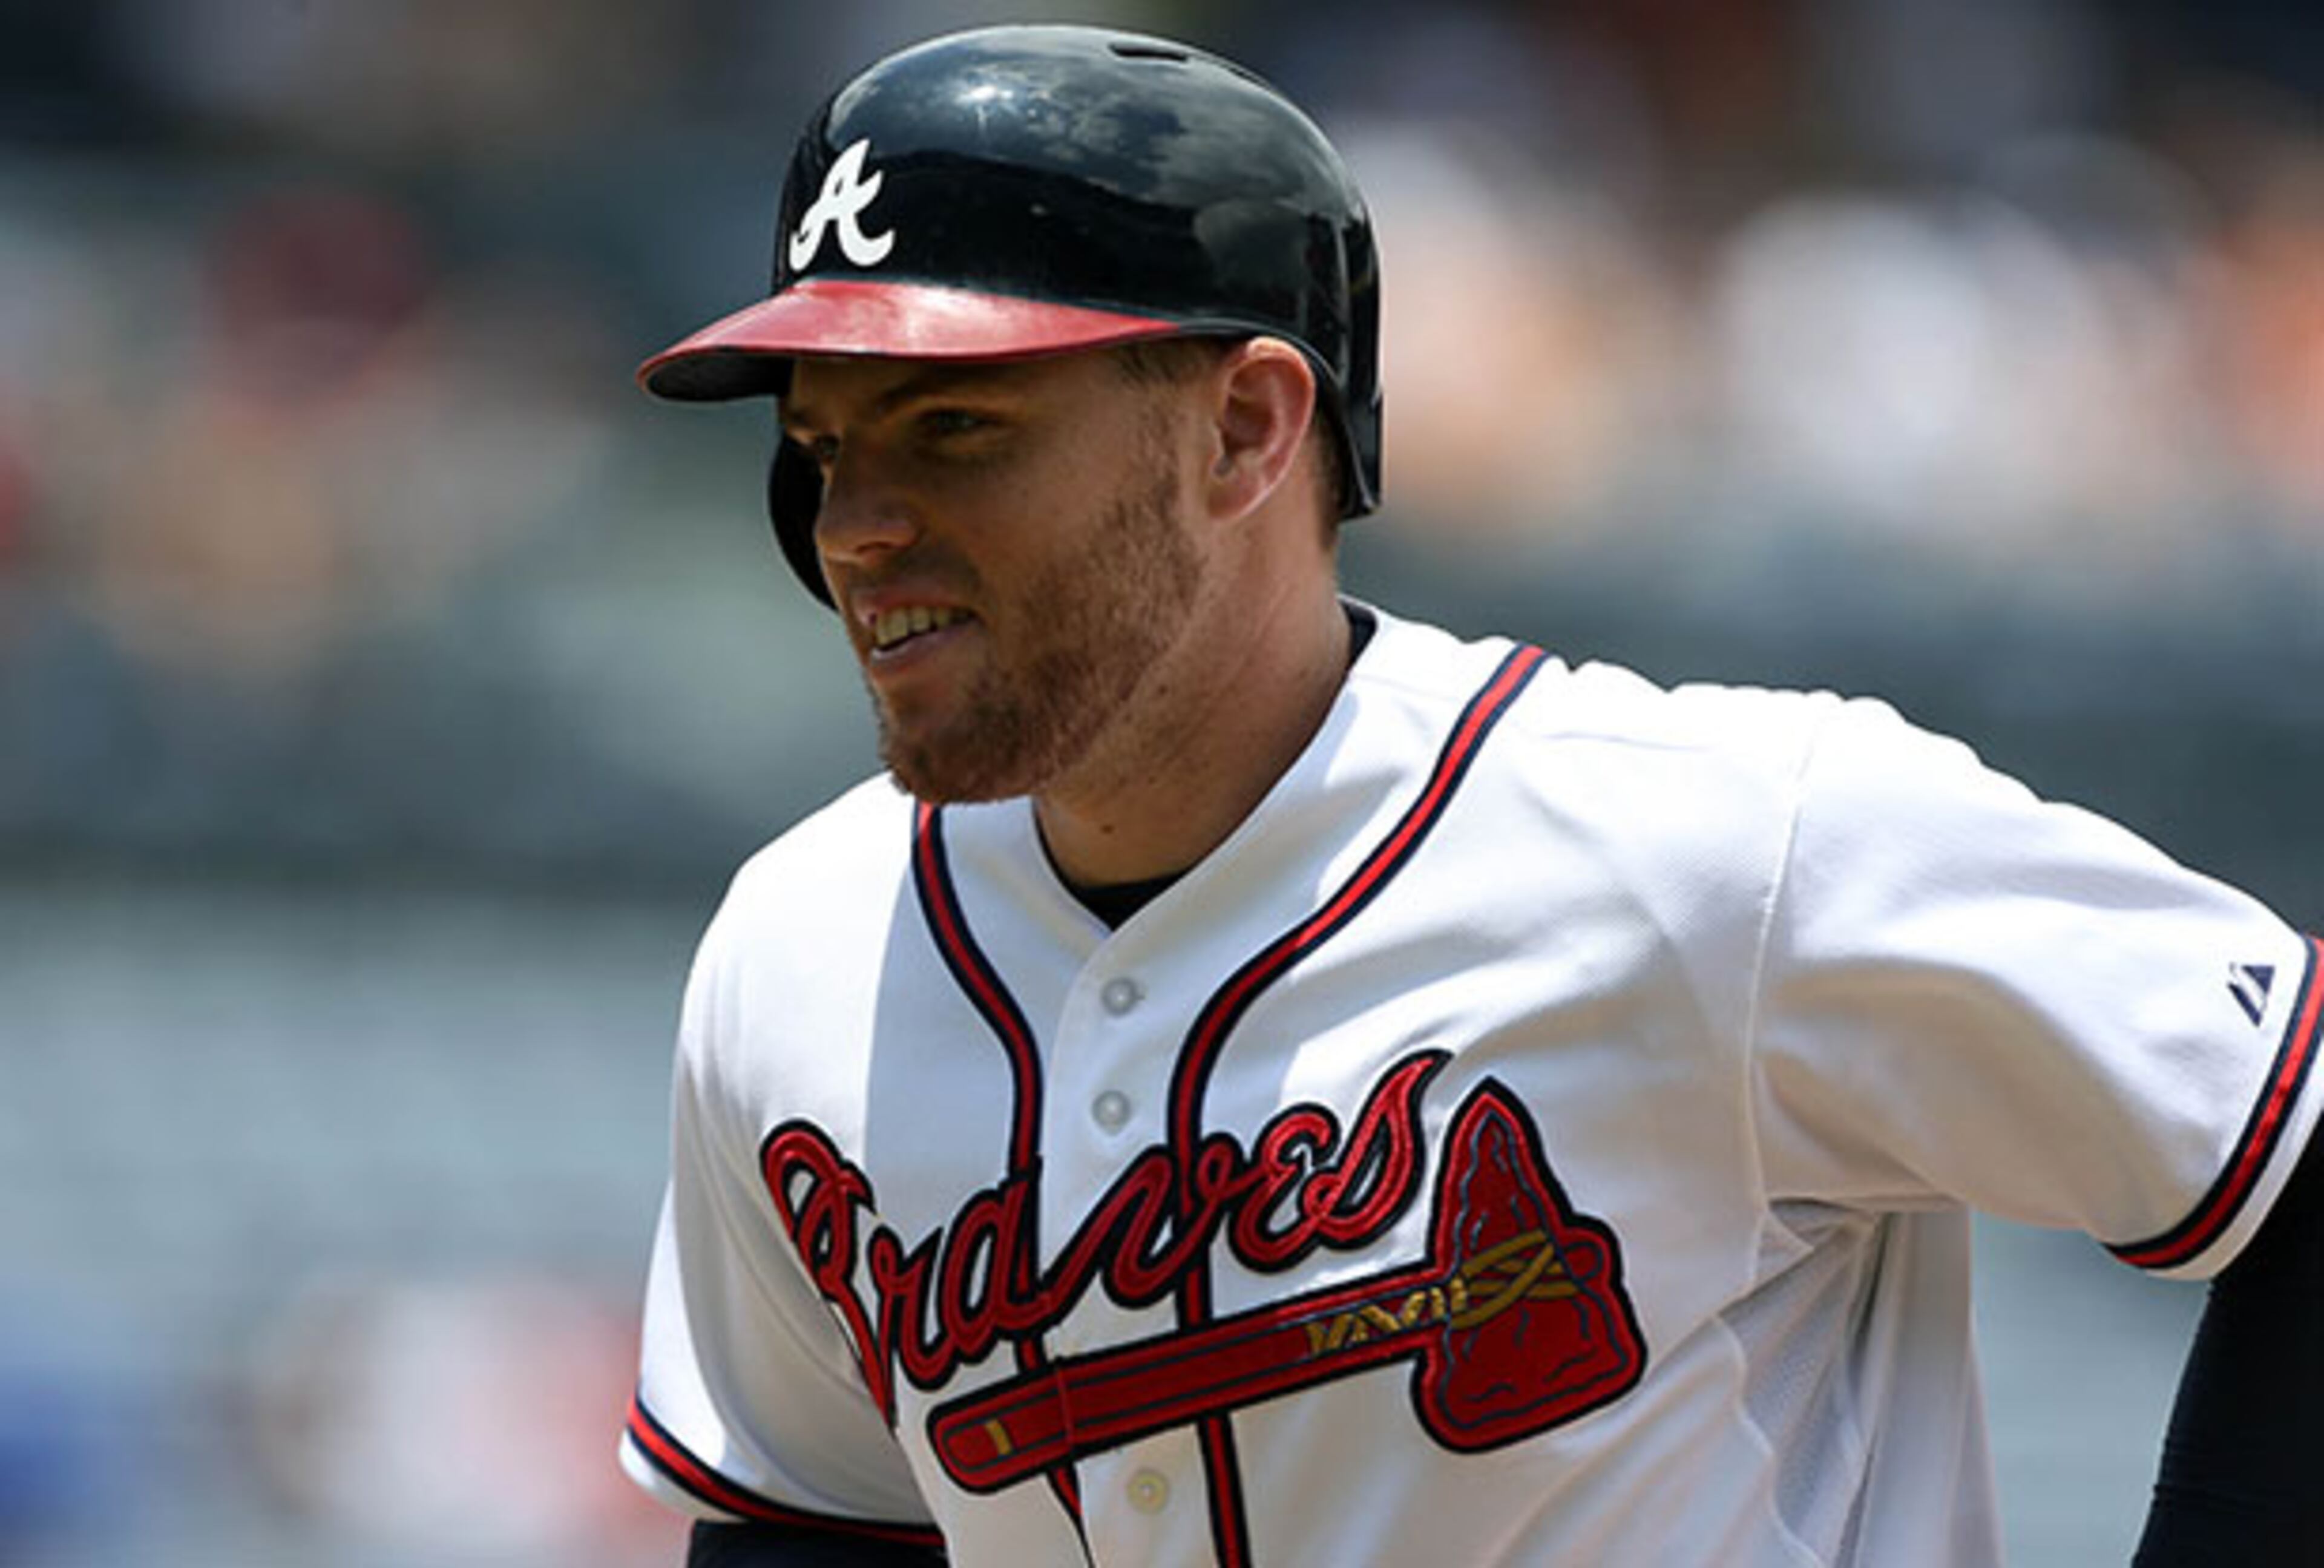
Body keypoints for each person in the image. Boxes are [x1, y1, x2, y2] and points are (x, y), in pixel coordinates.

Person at [615, 24, 2321, 1568]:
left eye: (955, 429)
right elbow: (813, 1524)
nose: (853, 528)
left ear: (1245, 432)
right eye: (829, 446)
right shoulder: (802, 951)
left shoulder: (1714, 847)